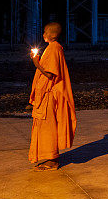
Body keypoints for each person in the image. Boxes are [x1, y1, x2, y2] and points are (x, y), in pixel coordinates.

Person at [29, 22, 76, 170]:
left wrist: (36, 63)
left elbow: (50, 74)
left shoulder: (54, 49)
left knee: (48, 127)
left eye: (45, 32)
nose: (43, 35)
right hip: (46, 94)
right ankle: (49, 157)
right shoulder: (51, 48)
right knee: (44, 127)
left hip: (50, 95)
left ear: (53, 35)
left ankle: (52, 160)